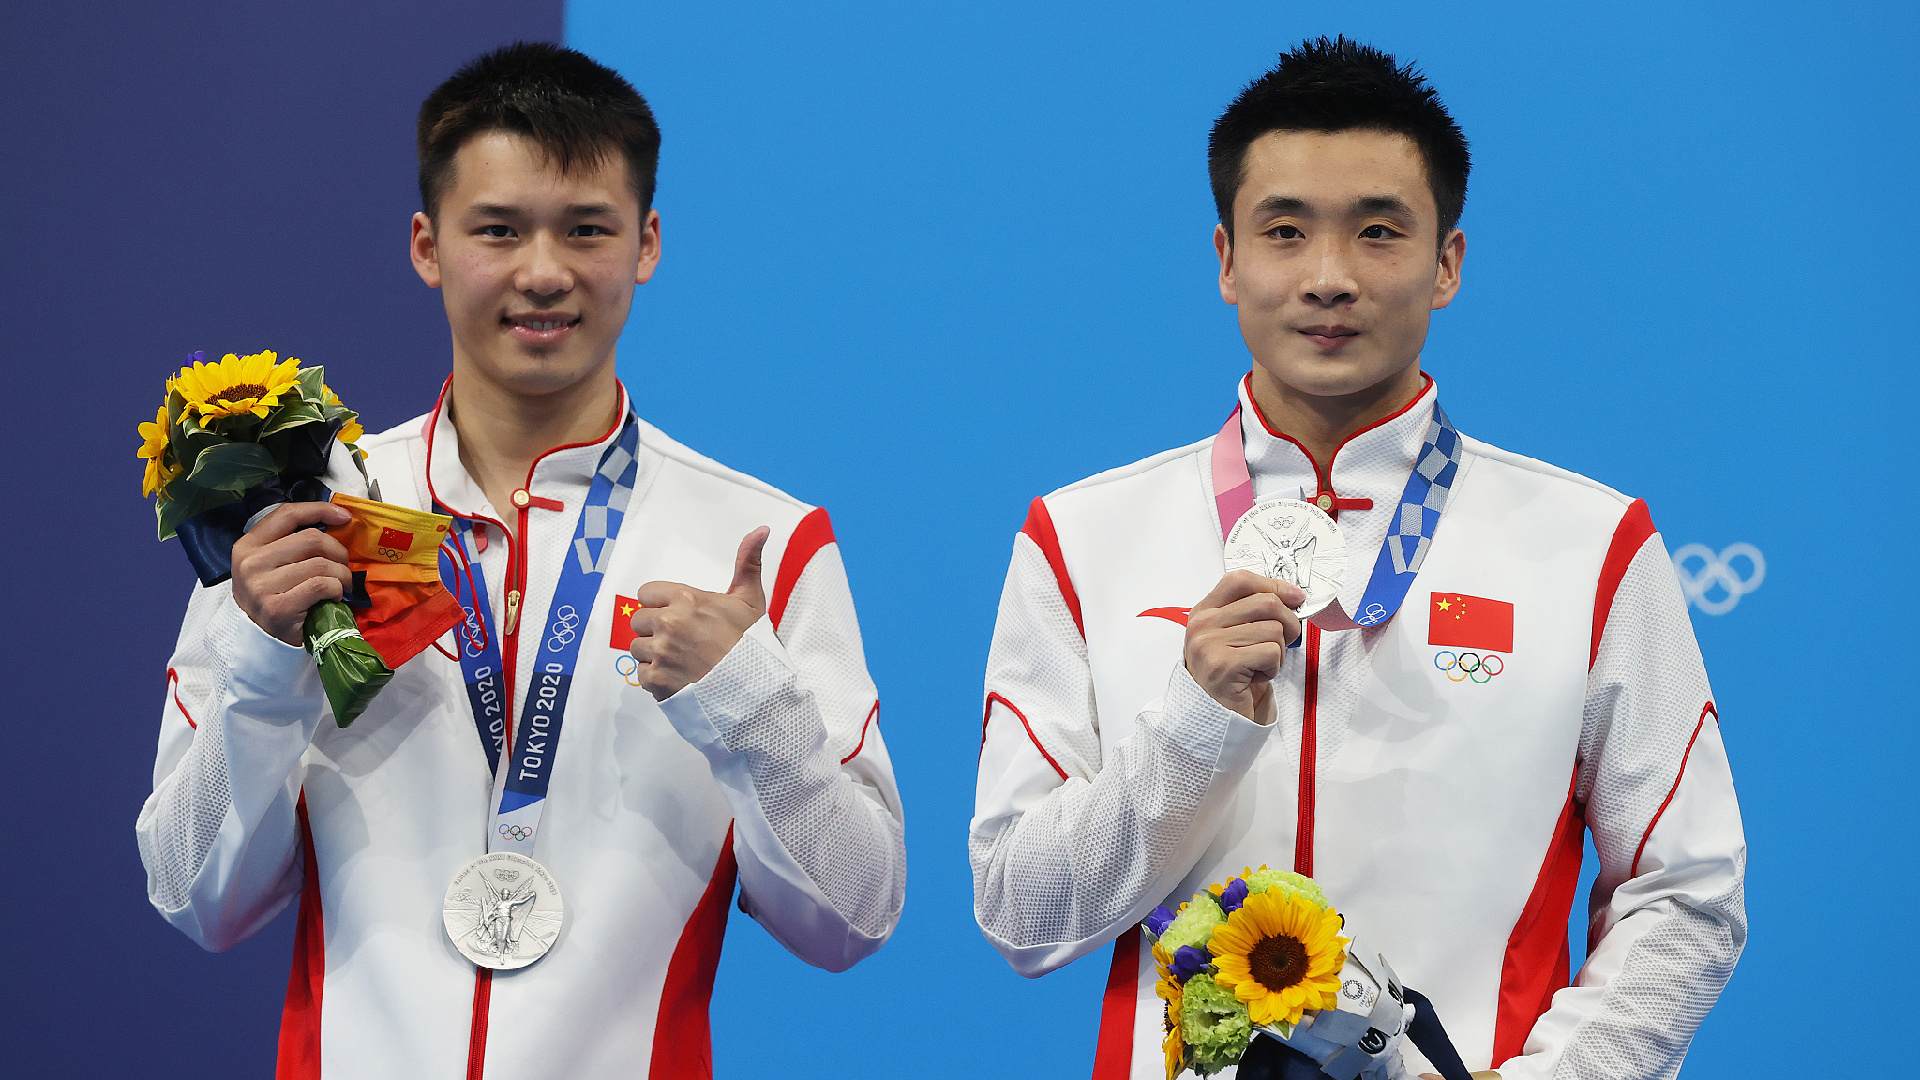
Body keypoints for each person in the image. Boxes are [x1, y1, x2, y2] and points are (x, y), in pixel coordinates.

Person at [970, 37, 1744, 1079]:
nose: (1329, 277)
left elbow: (1686, 894)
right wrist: (1191, 730)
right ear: (1227, 261)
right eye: (1284, 231)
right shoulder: (1084, 536)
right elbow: (1024, 913)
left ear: (1447, 263)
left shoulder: (1591, 546)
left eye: (1379, 231)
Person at [136, 43, 905, 1079]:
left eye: (587, 229)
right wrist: (265, 669)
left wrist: (751, 704)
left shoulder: (759, 545)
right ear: (427, 245)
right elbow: (193, 897)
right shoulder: (303, 519)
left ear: (647, 244)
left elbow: (854, 918)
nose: (543, 272)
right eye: (497, 230)